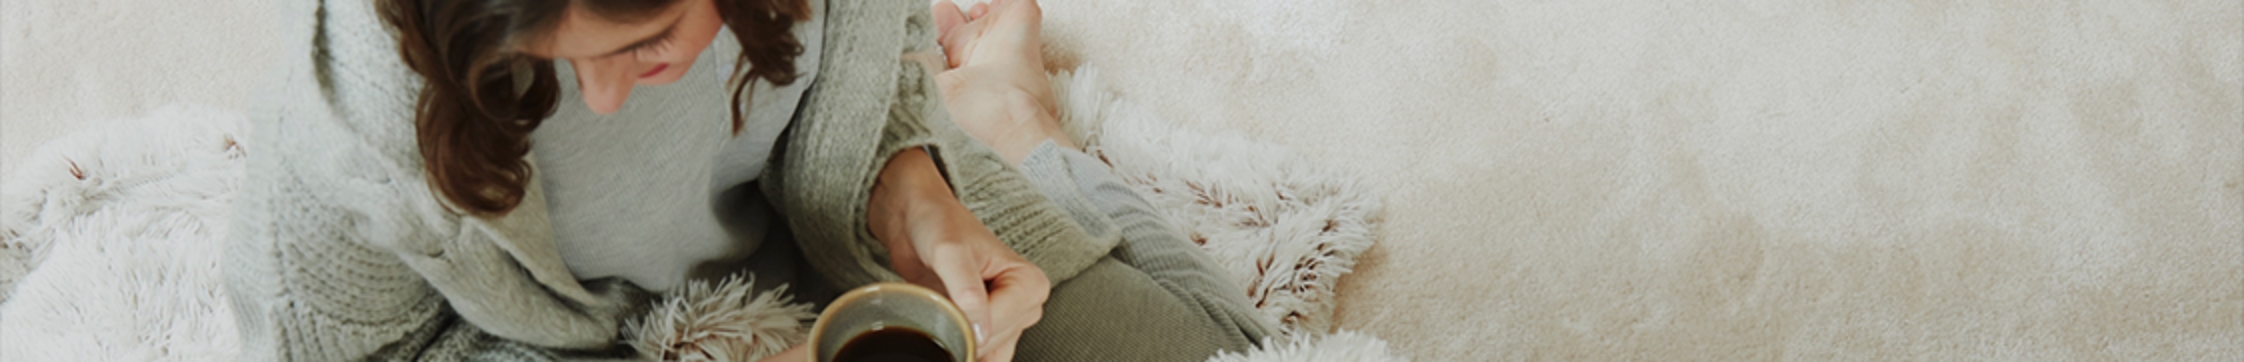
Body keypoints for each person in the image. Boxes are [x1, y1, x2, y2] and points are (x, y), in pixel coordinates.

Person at [224, 0, 1272, 360]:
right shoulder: (342, 145)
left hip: (822, 230)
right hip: (609, 338)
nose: (597, 100)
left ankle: (1004, 116)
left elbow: (869, 54)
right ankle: (997, 110)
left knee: (1228, 344)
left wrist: (909, 182)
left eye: (643, 42)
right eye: (546, 56)